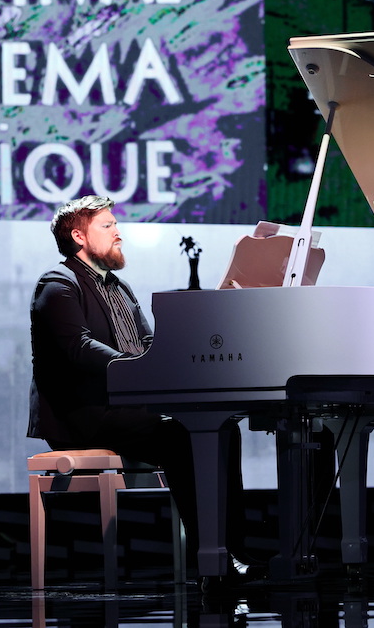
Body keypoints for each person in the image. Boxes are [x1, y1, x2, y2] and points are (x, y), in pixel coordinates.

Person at [27, 195, 255, 584]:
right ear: (78, 236)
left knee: (223, 428)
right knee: (182, 434)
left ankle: (231, 550)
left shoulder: (121, 288)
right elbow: (78, 348)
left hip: (126, 410)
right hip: (84, 415)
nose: (118, 233)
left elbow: (149, 345)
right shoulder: (57, 285)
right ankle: (211, 559)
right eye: (107, 226)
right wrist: (136, 368)